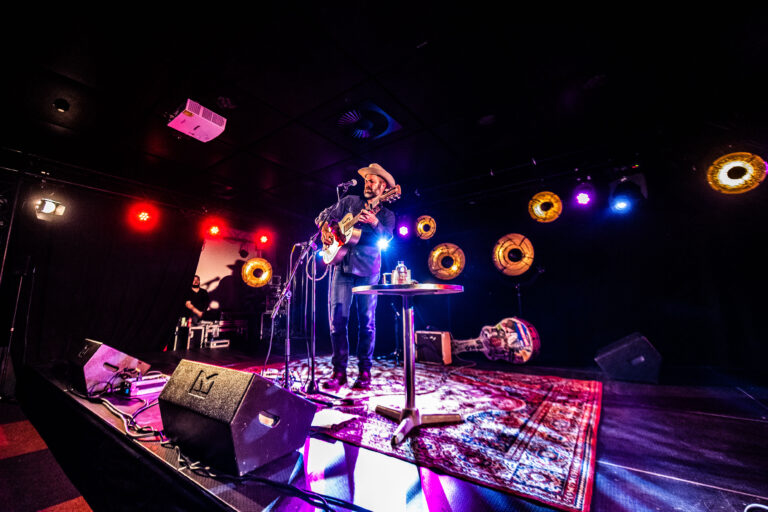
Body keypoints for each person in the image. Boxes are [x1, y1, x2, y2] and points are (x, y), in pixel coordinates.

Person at [315, 163, 396, 390]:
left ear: (384, 188)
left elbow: (387, 238)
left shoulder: (388, 215)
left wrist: (374, 223)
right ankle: (339, 373)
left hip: (369, 271)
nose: (367, 184)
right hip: (341, 268)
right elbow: (323, 216)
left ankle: (365, 372)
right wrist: (324, 229)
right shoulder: (350, 201)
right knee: (337, 321)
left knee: (366, 324)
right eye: (366, 181)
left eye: (372, 181)